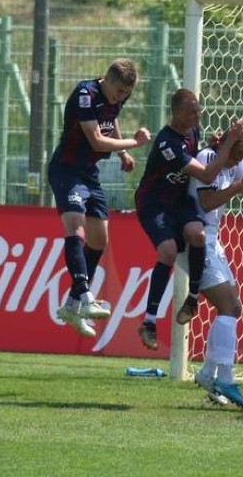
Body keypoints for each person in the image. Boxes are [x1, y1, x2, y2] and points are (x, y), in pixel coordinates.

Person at [133, 88, 243, 350]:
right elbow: (206, 175)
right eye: (192, 111)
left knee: (198, 234)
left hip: (179, 200)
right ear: (177, 113)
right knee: (169, 251)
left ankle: (193, 297)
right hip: (155, 203)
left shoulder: (192, 130)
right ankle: (149, 322)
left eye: (198, 109)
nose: (198, 114)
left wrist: (213, 145)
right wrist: (228, 144)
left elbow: (200, 159)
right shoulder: (166, 144)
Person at [48, 58, 152, 337]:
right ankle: (83, 293)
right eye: (119, 93)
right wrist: (134, 143)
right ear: (108, 81)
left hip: (89, 173)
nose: (122, 98)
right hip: (67, 170)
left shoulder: (115, 97)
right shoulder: (86, 95)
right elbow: (96, 139)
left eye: (126, 95)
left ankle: (71, 306)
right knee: (76, 227)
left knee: (99, 239)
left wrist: (122, 154)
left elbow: (111, 120)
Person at [184, 130, 243, 410]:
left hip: (213, 242)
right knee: (229, 307)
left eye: (241, 160)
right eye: (234, 158)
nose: (235, 164)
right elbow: (206, 203)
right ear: (225, 149)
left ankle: (208, 374)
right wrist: (238, 185)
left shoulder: (233, 161)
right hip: (196, 240)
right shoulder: (207, 158)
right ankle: (226, 379)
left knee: (234, 308)